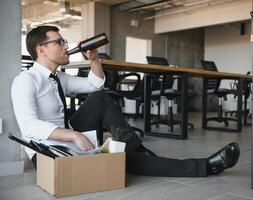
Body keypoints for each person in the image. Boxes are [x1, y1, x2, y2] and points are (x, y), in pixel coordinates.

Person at [11, 26, 240, 177]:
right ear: (42, 49)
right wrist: (74, 134)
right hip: (48, 151)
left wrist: (94, 58)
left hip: (68, 139)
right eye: (59, 41)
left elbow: (95, 84)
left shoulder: (59, 77)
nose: (64, 45)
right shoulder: (26, 81)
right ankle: (205, 166)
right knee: (126, 161)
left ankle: (134, 149)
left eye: (64, 40)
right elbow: (29, 126)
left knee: (102, 100)